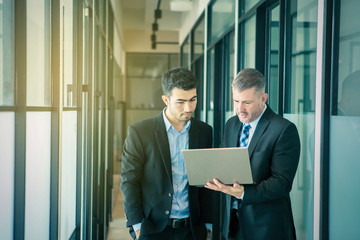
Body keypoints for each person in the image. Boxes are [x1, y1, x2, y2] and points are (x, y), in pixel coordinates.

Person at [205, 68, 301, 239]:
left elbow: (281, 183)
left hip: (266, 228)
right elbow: (223, 162)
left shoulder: (283, 130)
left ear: (263, 98)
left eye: (247, 103)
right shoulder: (232, 124)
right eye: (236, 101)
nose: (240, 109)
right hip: (232, 226)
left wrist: (243, 193)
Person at [121, 67, 213, 240]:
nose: (188, 107)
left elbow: (206, 184)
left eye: (193, 99)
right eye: (180, 101)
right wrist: (138, 227)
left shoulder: (204, 132)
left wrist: (207, 226)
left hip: (191, 230)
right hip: (153, 229)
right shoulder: (140, 132)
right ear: (165, 99)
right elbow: (129, 181)